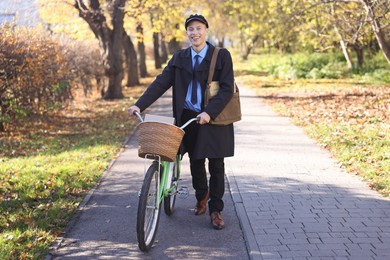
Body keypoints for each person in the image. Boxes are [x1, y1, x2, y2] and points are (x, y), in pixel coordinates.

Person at [128, 14, 235, 230]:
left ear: (206, 31)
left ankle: (216, 210)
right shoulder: (180, 58)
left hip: (215, 117)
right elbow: (161, 82)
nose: (194, 33)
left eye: (198, 28)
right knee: (196, 160)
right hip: (189, 116)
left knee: (216, 164)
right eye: (190, 29)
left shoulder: (221, 56)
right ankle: (202, 195)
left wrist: (209, 112)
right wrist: (140, 104)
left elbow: (227, 88)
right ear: (187, 33)